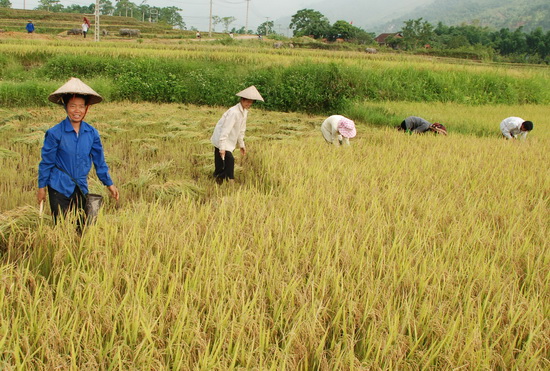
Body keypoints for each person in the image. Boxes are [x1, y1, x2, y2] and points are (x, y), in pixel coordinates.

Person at [37, 77, 119, 226]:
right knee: (61, 226)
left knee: (81, 226)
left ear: (86, 108)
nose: (77, 110)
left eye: (81, 106)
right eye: (73, 106)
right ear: (66, 107)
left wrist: (109, 184)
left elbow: (99, 161)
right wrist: (41, 188)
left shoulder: (92, 133)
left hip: (80, 186)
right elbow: (46, 162)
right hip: (58, 186)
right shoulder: (55, 133)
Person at [210, 86, 264, 183]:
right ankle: (230, 180)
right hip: (221, 138)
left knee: (221, 164)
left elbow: (241, 130)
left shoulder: (244, 112)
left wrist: (241, 145)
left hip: (228, 139)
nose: (249, 104)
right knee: (229, 160)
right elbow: (225, 130)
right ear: (242, 100)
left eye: (251, 102)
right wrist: (222, 147)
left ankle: (219, 179)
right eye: (248, 101)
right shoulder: (234, 112)